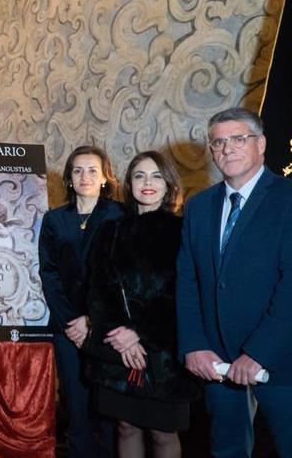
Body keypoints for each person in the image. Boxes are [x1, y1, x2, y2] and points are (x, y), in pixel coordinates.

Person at [176, 107, 292, 456]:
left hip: (283, 356)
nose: (226, 149)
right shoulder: (199, 206)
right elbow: (188, 281)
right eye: (218, 142)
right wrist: (193, 344)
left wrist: (258, 353)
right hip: (215, 358)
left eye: (237, 139)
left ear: (260, 144)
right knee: (226, 449)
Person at [85, 151, 199, 458]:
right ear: (129, 184)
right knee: (126, 427)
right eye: (139, 176)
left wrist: (140, 334)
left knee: (163, 433)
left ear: (169, 185)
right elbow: (97, 291)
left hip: (165, 354)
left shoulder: (184, 232)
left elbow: (186, 295)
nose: (147, 183)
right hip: (119, 351)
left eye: (155, 176)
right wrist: (120, 336)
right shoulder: (109, 232)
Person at [38, 145, 122, 457]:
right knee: (75, 406)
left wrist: (92, 320)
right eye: (77, 171)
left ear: (104, 177)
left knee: (108, 409)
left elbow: (120, 277)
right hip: (65, 328)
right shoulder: (54, 220)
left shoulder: (119, 216)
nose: (84, 176)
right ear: (70, 180)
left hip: (107, 328)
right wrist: (71, 322)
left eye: (92, 170)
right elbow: (49, 273)